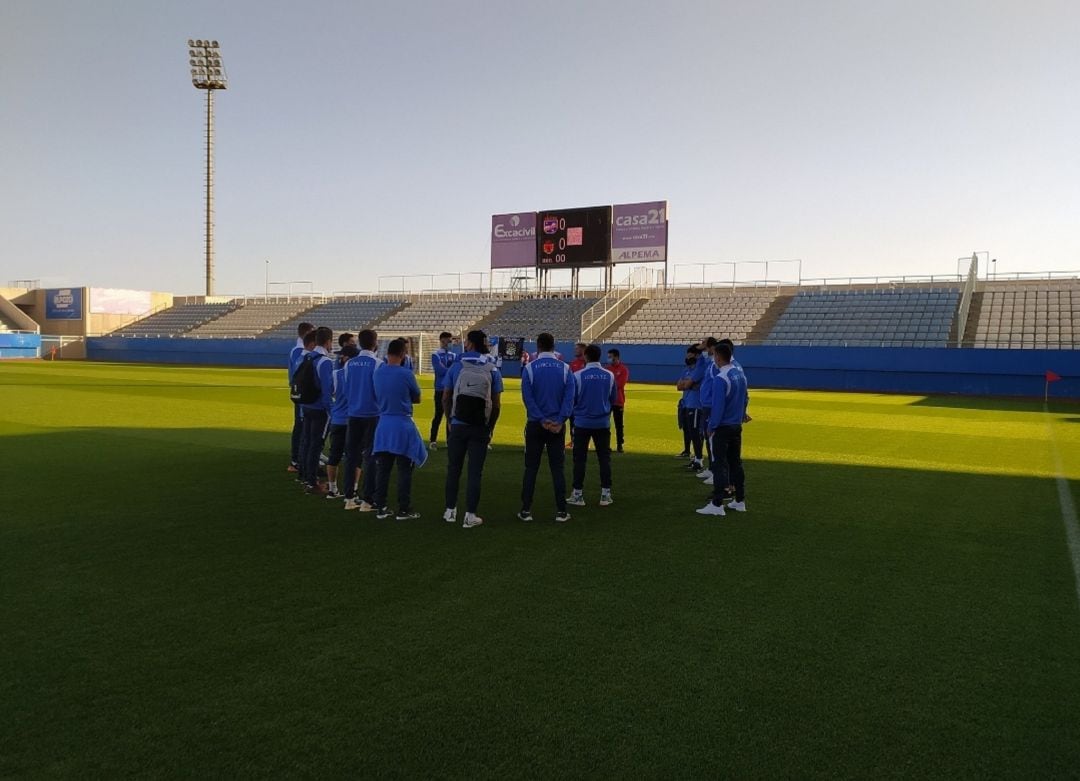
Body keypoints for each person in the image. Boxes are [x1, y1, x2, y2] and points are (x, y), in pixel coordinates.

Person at [442, 330, 502, 528]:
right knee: (475, 472)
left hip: (458, 424)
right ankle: (470, 515)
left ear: (469, 343)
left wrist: (450, 419)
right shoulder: (492, 368)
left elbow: (446, 396)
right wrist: (490, 427)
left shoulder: (457, 365)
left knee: (453, 469)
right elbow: (496, 404)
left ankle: (450, 511)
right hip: (480, 427)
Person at [519, 332, 575, 523]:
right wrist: (559, 420)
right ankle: (561, 511)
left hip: (535, 424)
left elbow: (528, 399)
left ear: (538, 346)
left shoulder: (529, 368)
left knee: (531, 468)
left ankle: (526, 510)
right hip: (557, 427)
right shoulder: (566, 369)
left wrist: (542, 419)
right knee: (557, 469)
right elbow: (569, 400)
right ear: (554, 346)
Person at [371, 338, 428, 520]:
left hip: (383, 424)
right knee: (404, 469)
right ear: (403, 355)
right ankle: (404, 508)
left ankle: (381, 507)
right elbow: (417, 397)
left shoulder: (378, 373)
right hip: (402, 424)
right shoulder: (406, 374)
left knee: (383, 469)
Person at [697, 343, 749, 517]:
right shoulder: (740, 374)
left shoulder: (721, 378)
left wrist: (711, 426)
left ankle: (717, 503)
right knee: (736, 463)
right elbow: (744, 399)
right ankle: (740, 500)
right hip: (736, 426)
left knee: (719, 464)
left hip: (722, 427)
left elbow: (718, 406)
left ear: (718, 357)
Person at [567, 344, 616, 507]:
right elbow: (612, 399)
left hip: (582, 422)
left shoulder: (578, 375)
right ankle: (605, 494)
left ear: (586, 356)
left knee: (580, 459)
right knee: (604, 459)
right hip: (602, 423)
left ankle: (578, 494)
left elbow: (572, 399)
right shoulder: (609, 375)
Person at [342, 329, 381, 511]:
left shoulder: (349, 364)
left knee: (352, 456)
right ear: (375, 343)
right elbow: (379, 391)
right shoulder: (378, 364)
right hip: (372, 414)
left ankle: (349, 497)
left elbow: (346, 387)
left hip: (353, 414)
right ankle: (368, 500)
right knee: (371, 456)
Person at [299, 326, 335, 493]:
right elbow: (327, 390)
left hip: (306, 405)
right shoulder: (325, 361)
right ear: (328, 342)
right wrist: (331, 412)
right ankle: (312, 483)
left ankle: (305, 476)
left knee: (307, 442)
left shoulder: (308, 356)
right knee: (316, 445)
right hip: (319, 408)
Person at [325, 343, 359, 499]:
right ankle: (353, 490)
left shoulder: (335, 374)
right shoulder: (359, 375)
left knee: (334, 455)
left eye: (342, 355)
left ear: (347, 357)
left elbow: (330, 393)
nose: (340, 357)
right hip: (353, 419)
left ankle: (333, 489)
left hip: (337, 419)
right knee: (355, 457)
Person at [287, 322, 315, 472]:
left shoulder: (296, 350)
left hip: (300, 392)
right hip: (302, 394)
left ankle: (301, 458)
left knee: (303, 424)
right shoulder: (299, 351)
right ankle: (296, 459)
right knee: (301, 425)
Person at [675, 345, 704, 461]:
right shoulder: (686, 370)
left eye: (689, 354)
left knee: (696, 431)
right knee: (687, 429)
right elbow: (679, 386)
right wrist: (690, 385)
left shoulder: (700, 369)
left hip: (696, 404)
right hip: (685, 403)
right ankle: (688, 451)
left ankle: (698, 458)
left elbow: (687, 385)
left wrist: (687, 384)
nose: (687, 357)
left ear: (696, 355)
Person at [429, 331, 457, 449]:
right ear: (442, 340)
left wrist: (450, 370)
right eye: (449, 341)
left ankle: (449, 440)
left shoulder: (453, 355)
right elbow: (440, 371)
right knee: (438, 414)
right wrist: (451, 370)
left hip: (451, 388)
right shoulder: (435, 355)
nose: (451, 343)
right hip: (440, 389)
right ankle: (433, 440)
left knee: (450, 415)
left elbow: (454, 369)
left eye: (451, 341)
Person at [606, 348, 630, 452]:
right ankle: (606, 445)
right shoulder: (607, 369)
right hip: (607, 401)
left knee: (619, 424)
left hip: (618, 400)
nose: (609, 359)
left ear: (616, 357)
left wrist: (609, 385)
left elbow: (620, 384)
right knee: (605, 423)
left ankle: (620, 445)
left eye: (610, 357)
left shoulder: (623, 369)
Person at [565, 342, 587, 448]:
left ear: (583, 350)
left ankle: (583, 441)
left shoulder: (587, 363)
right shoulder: (573, 363)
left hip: (584, 396)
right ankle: (573, 440)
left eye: (577, 349)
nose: (575, 350)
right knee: (572, 418)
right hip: (574, 396)